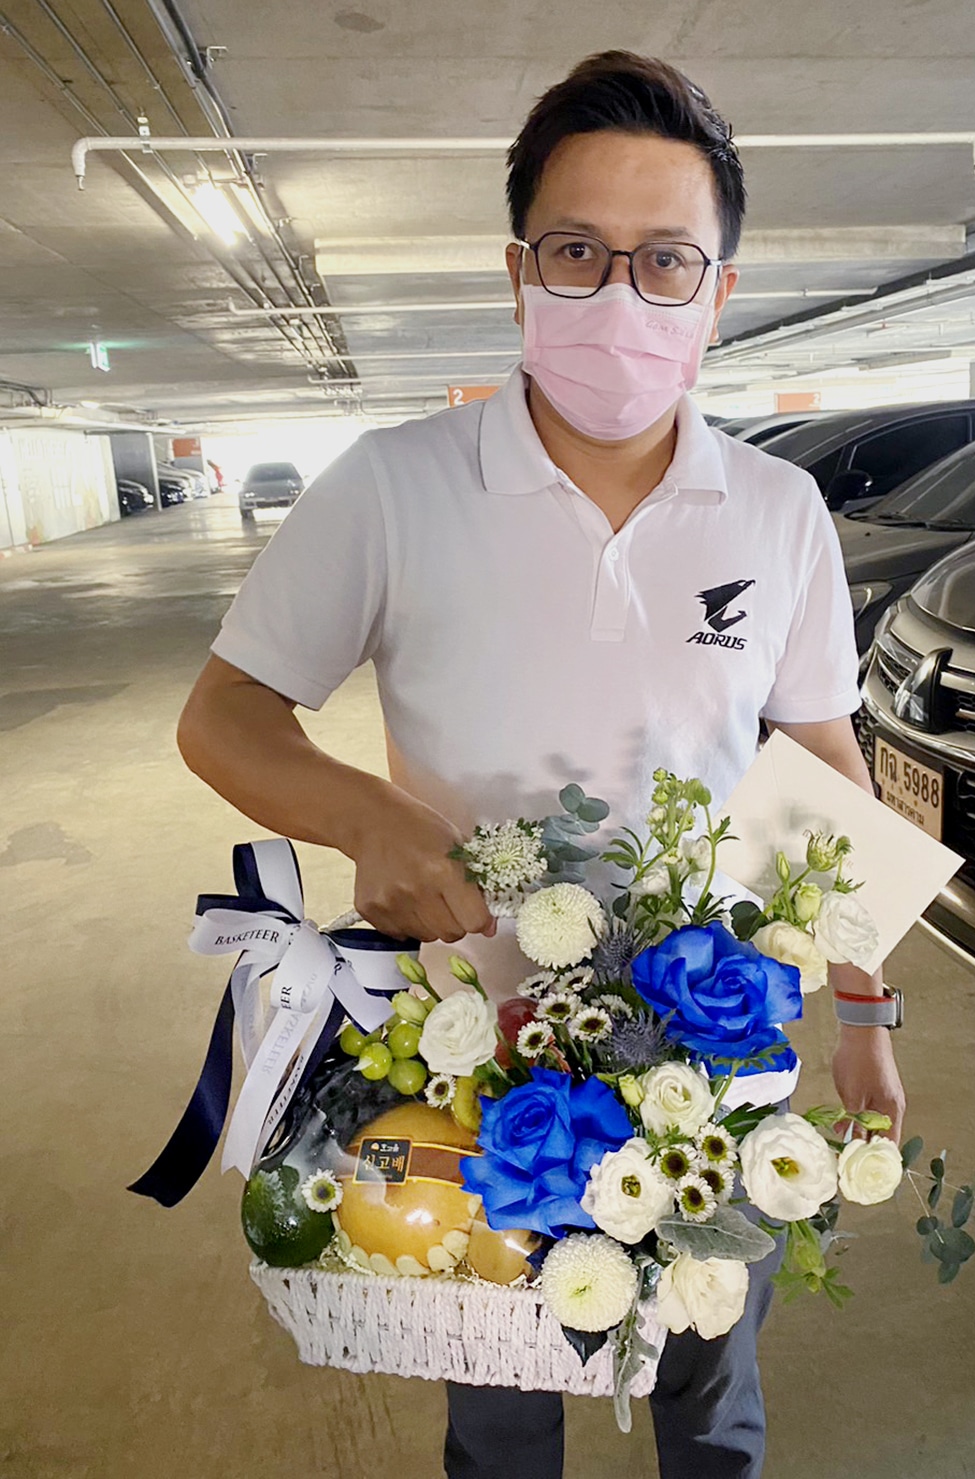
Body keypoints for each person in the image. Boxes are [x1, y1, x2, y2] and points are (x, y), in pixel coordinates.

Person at [177, 50, 905, 1479]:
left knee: (712, 1386)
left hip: (715, 1051)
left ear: (719, 290)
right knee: (497, 1403)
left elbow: (823, 765)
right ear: (520, 268)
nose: (617, 295)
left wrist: (871, 1011)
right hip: (465, 1056)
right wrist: (366, 814)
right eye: (577, 252)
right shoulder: (393, 487)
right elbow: (225, 714)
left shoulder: (776, 509)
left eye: (663, 261)